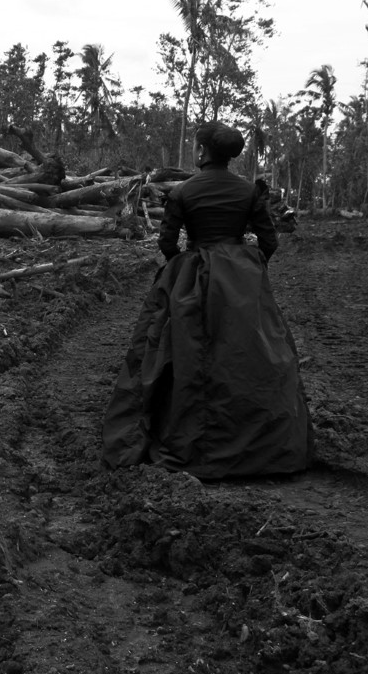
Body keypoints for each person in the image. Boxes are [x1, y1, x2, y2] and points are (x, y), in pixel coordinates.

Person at [101, 122, 312, 477]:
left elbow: (168, 244)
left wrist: (182, 270)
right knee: (249, 353)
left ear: (201, 152)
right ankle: (257, 443)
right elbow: (269, 242)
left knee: (181, 352)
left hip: (192, 276)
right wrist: (247, 271)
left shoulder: (183, 191)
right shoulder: (248, 192)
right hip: (241, 279)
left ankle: (189, 437)